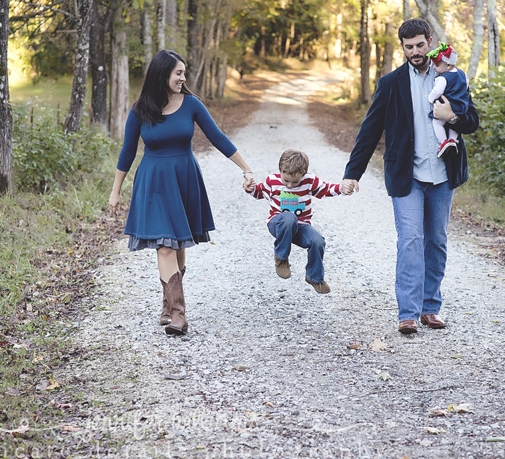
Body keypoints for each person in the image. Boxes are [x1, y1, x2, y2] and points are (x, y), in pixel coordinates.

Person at [341, 18, 479, 335]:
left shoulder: (449, 75)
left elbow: (472, 121)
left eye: (420, 45)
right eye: (409, 47)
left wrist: (453, 117)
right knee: (411, 241)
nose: (415, 52)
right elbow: (370, 130)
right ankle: (408, 313)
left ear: (430, 41)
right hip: (408, 177)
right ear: (402, 47)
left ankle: (431, 308)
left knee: (437, 241)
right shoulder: (391, 83)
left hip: (443, 176)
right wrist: (353, 173)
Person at [108, 50, 255, 335]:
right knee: (164, 246)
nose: (183, 78)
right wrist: (116, 191)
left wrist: (246, 168)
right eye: (178, 73)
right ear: (162, 74)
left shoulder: (192, 104)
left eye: (183, 73)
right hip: (153, 182)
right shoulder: (140, 109)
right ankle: (179, 315)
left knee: (178, 245)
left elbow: (218, 138)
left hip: (184, 178)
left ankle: (167, 304)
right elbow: (128, 151)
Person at [245, 149, 345, 294]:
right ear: (280, 171)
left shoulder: (310, 181)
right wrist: (250, 188)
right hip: (278, 223)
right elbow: (259, 193)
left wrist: (341, 188)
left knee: (318, 241)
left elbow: (325, 189)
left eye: (295, 182)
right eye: (286, 181)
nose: (290, 185)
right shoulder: (272, 181)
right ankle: (281, 258)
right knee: (289, 217)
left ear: (304, 175)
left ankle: (314, 277)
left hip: (301, 226)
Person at [426, 42, 470, 159]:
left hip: (445, 106)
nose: (434, 67)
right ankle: (453, 140)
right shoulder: (462, 74)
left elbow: (437, 91)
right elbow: (466, 86)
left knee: (437, 123)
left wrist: (430, 98)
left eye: (437, 65)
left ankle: (443, 142)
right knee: (452, 124)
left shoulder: (442, 78)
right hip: (461, 105)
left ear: (449, 65)